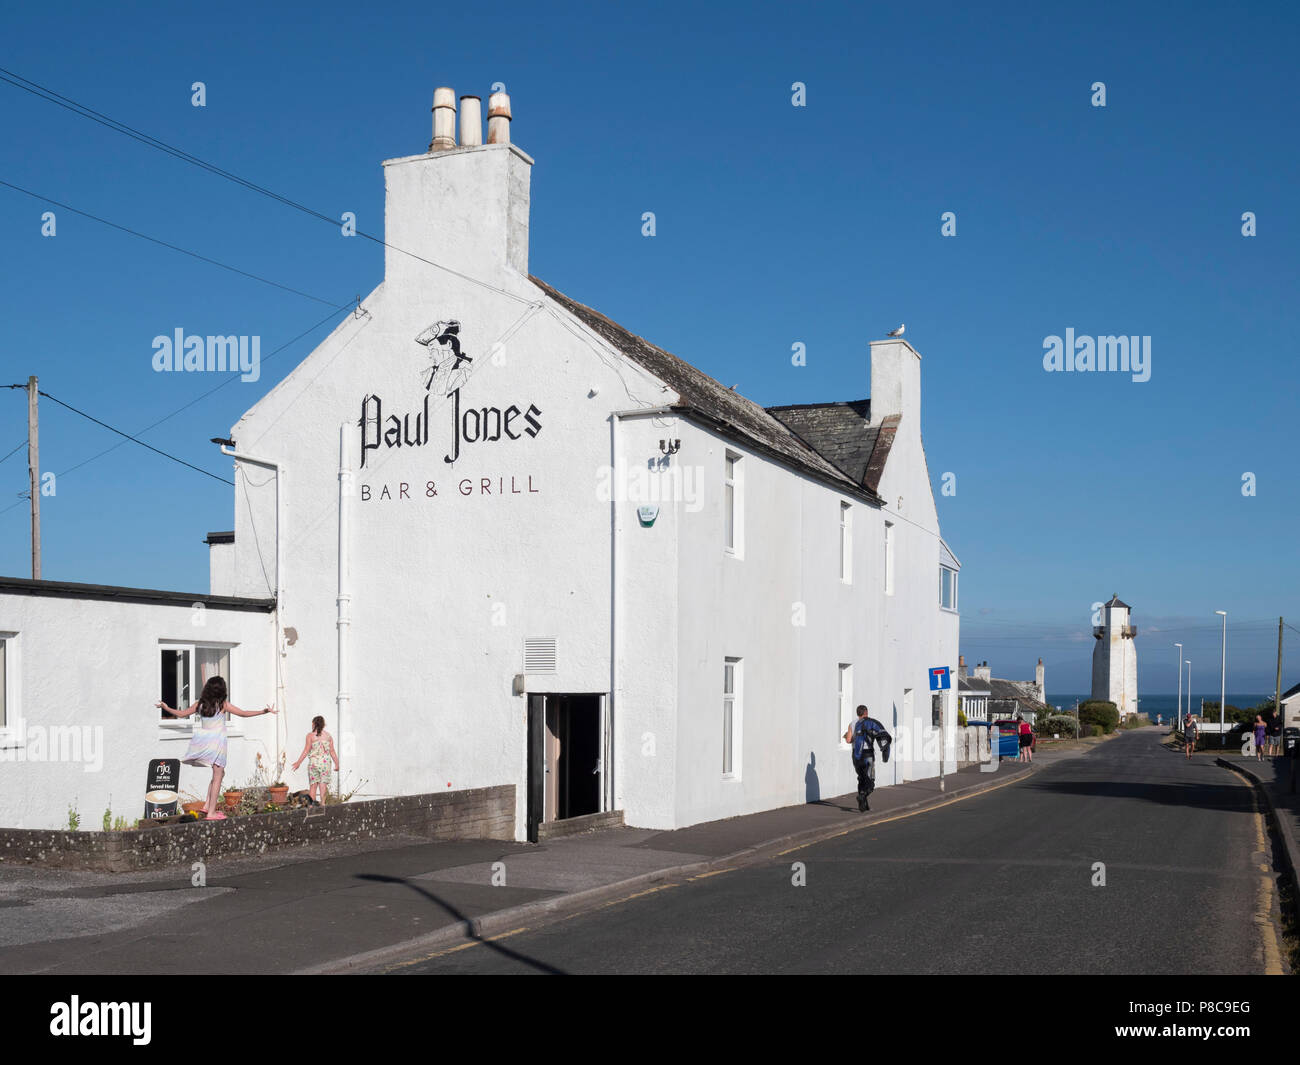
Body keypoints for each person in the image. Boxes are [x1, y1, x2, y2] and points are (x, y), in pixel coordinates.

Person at [156, 677, 276, 819]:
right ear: (222, 690)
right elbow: (243, 713)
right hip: (218, 743)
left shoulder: (200, 704)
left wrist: (166, 708)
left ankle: (207, 806)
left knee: (219, 774)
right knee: (217, 776)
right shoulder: (222, 704)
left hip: (203, 741)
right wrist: (264, 711)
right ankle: (211, 812)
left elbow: (181, 714)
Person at [843, 704, 891, 812]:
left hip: (856, 755)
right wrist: (885, 750)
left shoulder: (852, 724)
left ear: (857, 713)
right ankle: (862, 796)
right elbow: (881, 735)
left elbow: (849, 740)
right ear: (866, 712)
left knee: (861, 778)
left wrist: (846, 736)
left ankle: (863, 806)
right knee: (870, 781)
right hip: (867, 755)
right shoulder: (870, 722)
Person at [293, 716, 339, 804]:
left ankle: (311, 806)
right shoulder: (328, 736)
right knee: (323, 785)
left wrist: (298, 762)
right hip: (325, 764)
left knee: (313, 786)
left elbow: (306, 750)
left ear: (313, 724)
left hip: (314, 763)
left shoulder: (310, 736)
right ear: (323, 724)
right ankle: (323, 804)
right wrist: (337, 764)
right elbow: (332, 751)